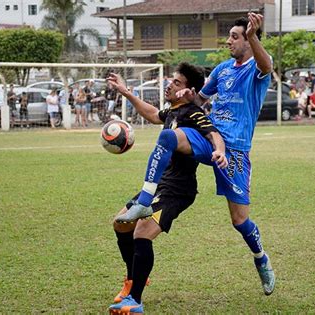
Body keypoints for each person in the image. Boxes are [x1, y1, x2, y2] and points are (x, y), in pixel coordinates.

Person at [115, 13, 276, 297]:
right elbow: (200, 100)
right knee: (168, 136)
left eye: (235, 36)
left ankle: (261, 257)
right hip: (206, 136)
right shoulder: (223, 69)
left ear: (249, 40)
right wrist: (192, 99)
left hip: (234, 148)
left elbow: (268, 64)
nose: (229, 40)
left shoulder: (256, 69)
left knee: (240, 220)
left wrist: (252, 35)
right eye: (230, 36)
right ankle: (145, 199)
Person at [107, 62, 226, 314]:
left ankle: (135, 300)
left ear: (189, 90)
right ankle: (132, 279)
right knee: (120, 224)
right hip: (162, 184)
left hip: (178, 191)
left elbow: (213, 132)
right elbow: (152, 113)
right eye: (171, 80)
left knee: (141, 234)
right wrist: (126, 92)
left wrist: (219, 150)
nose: (170, 85)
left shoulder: (192, 113)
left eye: (177, 82)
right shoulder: (172, 112)